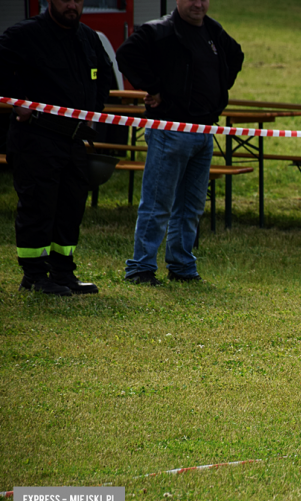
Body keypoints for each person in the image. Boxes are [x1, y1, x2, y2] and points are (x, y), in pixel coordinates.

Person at [117, 0, 244, 285]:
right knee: (157, 203)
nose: (198, 4)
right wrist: (155, 87)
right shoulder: (161, 31)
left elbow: (236, 56)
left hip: (204, 131)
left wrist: (219, 92)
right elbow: (126, 54)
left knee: (191, 206)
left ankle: (182, 265)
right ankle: (140, 267)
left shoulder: (213, 31)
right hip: (170, 129)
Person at [0, 0, 112, 296]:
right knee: (39, 205)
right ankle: (35, 276)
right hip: (36, 136)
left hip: (73, 138)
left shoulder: (87, 37)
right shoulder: (25, 35)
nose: (71, 5)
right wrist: (15, 100)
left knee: (70, 206)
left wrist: (93, 111)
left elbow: (103, 77)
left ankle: (63, 272)